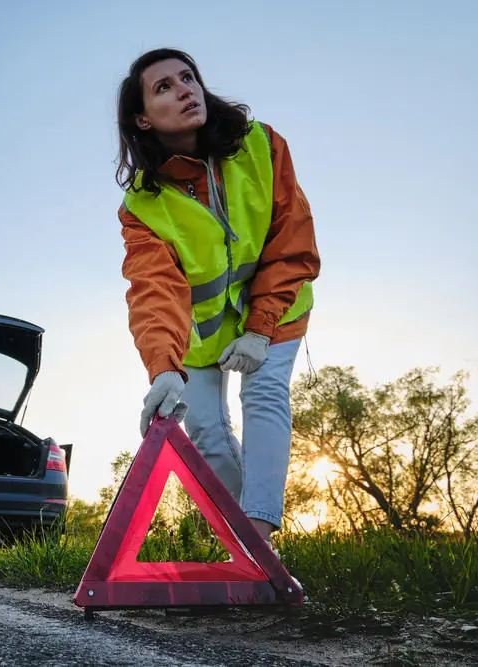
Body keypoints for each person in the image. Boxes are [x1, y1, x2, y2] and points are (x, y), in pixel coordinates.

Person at [116, 48, 321, 546]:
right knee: (206, 431)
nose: (186, 88)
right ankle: (245, 548)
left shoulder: (261, 145)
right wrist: (163, 368)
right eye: (164, 87)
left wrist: (259, 329)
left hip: (275, 313)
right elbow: (153, 288)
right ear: (143, 119)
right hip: (199, 337)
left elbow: (290, 242)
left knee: (265, 396)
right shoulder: (143, 203)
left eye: (188, 77)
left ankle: (259, 540)